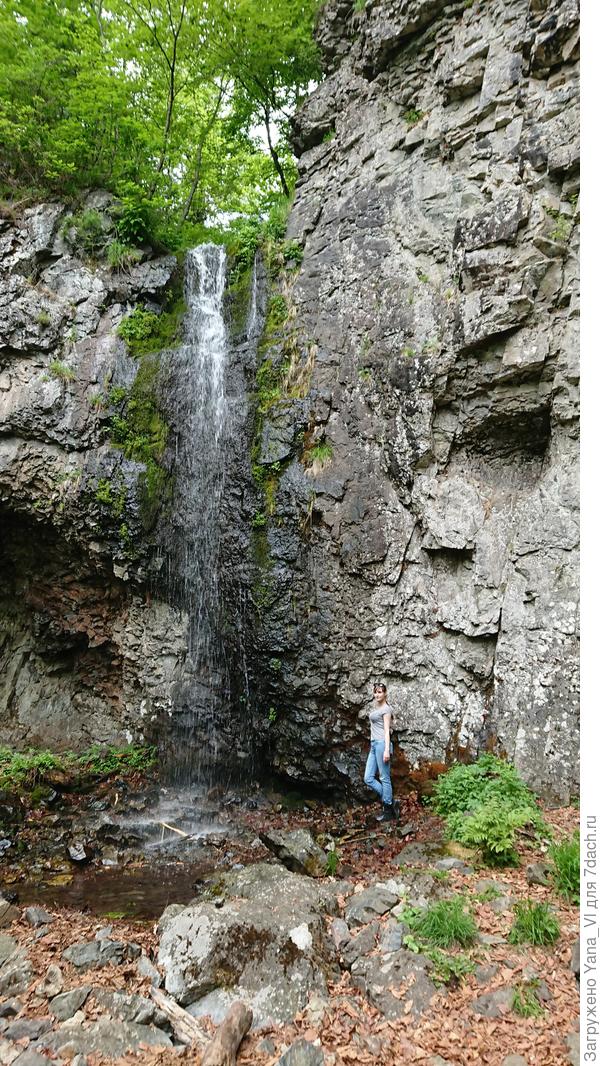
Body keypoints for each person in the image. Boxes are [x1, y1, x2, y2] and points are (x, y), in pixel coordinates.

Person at [363, 682, 395, 821]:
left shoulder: (386, 709)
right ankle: (391, 802)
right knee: (368, 778)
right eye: (376, 692)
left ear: (385, 693)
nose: (377, 694)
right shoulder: (377, 708)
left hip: (382, 744)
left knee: (384, 778)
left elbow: (387, 731)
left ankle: (388, 811)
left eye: (380, 692)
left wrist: (387, 750)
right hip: (374, 744)